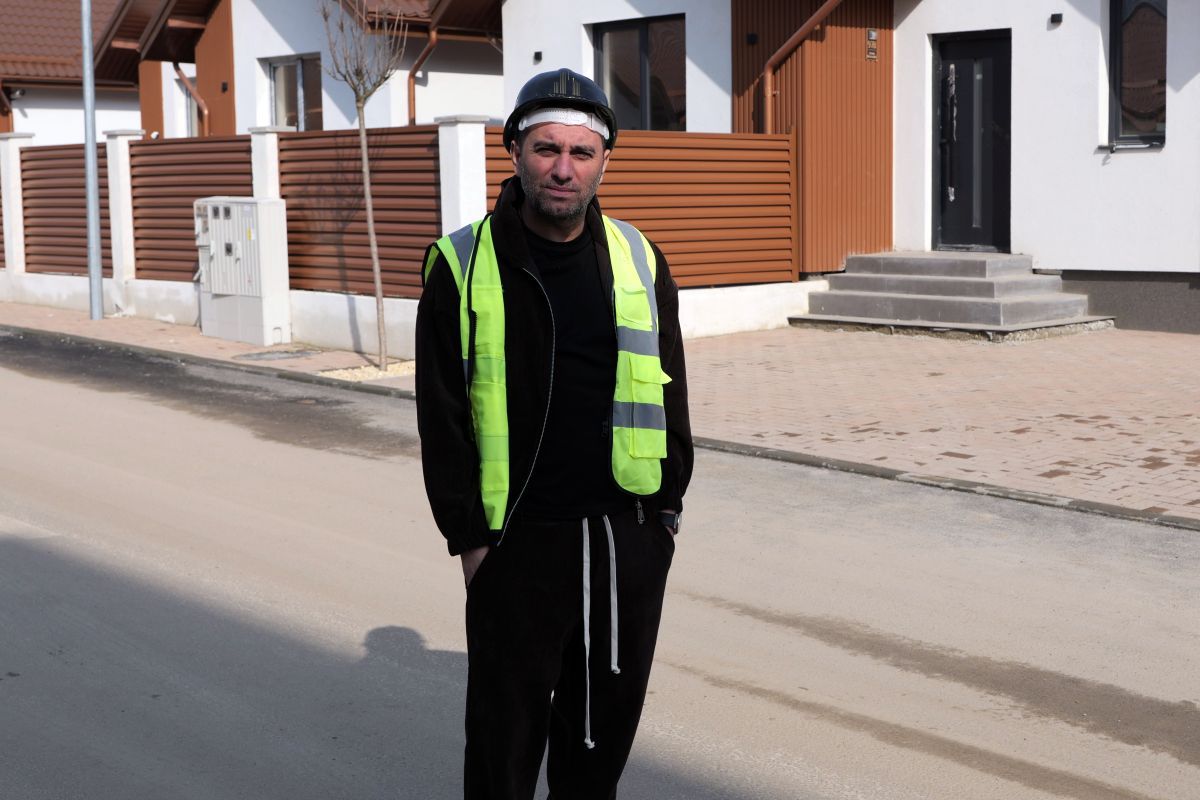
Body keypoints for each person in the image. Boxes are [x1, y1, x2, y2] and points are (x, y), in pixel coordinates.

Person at [415, 67, 693, 799]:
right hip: (517, 543)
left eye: (580, 152)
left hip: (624, 538)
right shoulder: (460, 263)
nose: (563, 168)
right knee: (502, 751)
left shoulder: (640, 257)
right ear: (514, 152)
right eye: (546, 149)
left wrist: (663, 517)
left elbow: (671, 392)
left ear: (604, 162)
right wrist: (472, 541)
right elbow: (441, 416)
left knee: (598, 748)